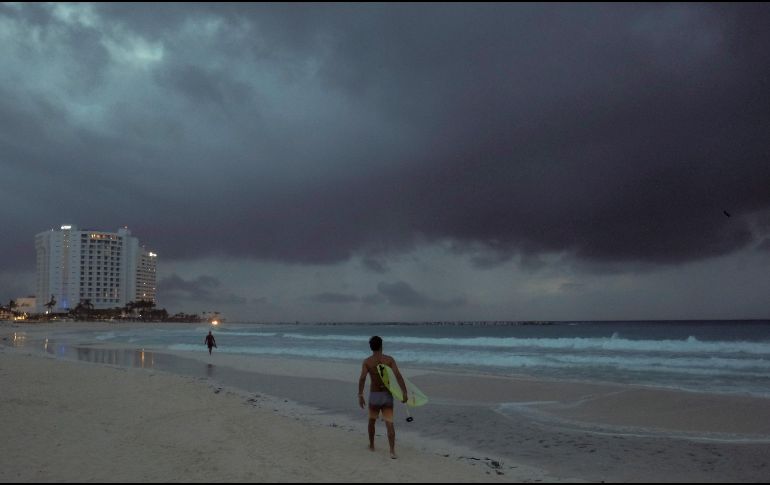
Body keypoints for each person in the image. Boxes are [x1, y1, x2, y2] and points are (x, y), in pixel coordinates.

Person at [358, 335, 408, 459]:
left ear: (371, 347)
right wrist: (404, 392)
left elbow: (363, 377)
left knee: (371, 421)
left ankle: (372, 445)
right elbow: (398, 376)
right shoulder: (389, 360)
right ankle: (392, 451)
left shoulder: (367, 362)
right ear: (381, 346)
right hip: (387, 395)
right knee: (389, 423)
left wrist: (360, 394)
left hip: (374, 395)